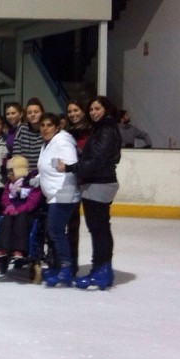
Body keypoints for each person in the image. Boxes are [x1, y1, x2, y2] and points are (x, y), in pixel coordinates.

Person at [61, 96, 123, 290]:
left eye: (97, 109)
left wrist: (72, 168)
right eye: (92, 110)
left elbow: (97, 159)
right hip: (96, 182)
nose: (94, 112)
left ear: (106, 109)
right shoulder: (102, 128)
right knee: (99, 228)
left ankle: (102, 271)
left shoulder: (106, 130)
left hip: (99, 182)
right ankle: (100, 269)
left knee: (99, 228)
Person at [37, 112, 81, 287]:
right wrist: (35, 179)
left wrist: (62, 166)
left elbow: (70, 162)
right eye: (43, 125)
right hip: (55, 194)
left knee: (55, 232)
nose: (45, 128)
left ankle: (65, 269)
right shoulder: (47, 144)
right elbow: (49, 166)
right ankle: (59, 267)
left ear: (57, 127)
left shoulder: (63, 141)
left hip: (64, 194)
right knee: (54, 232)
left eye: (49, 125)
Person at [0, 154, 42, 276]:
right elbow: (4, 197)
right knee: (5, 219)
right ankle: (2, 248)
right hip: (11, 212)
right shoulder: (9, 185)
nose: (9, 175)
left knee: (21, 219)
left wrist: (19, 209)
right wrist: (9, 206)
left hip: (26, 214)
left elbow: (33, 201)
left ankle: (19, 249)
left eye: (11, 171)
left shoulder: (32, 183)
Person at [64, 99, 91, 269]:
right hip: (71, 182)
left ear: (83, 111)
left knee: (94, 226)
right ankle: (70, 262)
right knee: (71, 224)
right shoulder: (68, 133)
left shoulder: (91, 132)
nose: (73, 114)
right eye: (70, 111)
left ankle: (99, 265)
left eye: (76, 110)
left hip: (88, 183)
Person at [11, 98, 45, 170]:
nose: (32, 115)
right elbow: (17, 155)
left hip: (43, 174)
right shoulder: (22, 129)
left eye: (36, 112)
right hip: (25, 175)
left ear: (42, 113)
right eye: (29, 113)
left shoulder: (46, 129)